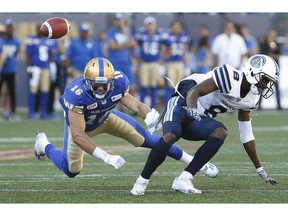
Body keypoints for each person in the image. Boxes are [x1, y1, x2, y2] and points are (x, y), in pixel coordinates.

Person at [33, 57, 217, 179]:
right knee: (71, 170)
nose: (100, 89)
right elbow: (79, 135)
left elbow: (135, 104)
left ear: (112, 82)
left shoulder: (119, 82)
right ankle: (44, 145)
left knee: (149, 139)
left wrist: (148, 115)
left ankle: (195, 163)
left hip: (106, 117)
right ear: (86, 82)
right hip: (83, 128)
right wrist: (107, 157)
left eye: (104, 86)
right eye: (96, 85)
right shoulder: (75, 94)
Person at [130, 54, 279, 195]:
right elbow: (194, 92)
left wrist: (259, 168)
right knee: (171, 136)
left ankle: (184, 179)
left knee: (220, 131)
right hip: (182, 104)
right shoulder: (230, 76)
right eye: (265, 79)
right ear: (253, 72)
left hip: (198, 118)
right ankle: (142, 181)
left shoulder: (251, 99)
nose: (266, 85)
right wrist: (193, 110)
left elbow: (246, 134)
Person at [135, 16, 166, 108]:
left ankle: (153, 106)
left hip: (155, 62)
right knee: (143, 85)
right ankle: (142, 106)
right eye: (148, 25)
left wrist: (162, 58)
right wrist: (137, 58)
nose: (150, 27)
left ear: (155, 25)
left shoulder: (159, 34)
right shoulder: (141, 34)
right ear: (145, 26)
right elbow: (135, 45)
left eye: (151, 25)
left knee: (154, 85)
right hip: (144, 62)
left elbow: (165, 45)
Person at [25, 23, 54, 120]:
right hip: (35, 68)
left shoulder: (48, 40)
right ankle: (31, 112)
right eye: (39, 29)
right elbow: (28, 55)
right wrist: (29, 67)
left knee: (45, 90)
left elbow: (51, 55)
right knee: (33, 90)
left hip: (45, 68)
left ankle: (43, 112)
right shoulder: (31, 39)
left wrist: (52, 67)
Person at [106, 13, 137, 96]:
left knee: (131, 84)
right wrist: (126, 45)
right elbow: (113, 46)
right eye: (117, 20)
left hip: (126, 62)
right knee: (114, 84)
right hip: (114, 61)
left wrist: (126, 33)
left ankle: (131, 107)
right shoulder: (111, 32)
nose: (119, 22)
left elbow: (133, 44)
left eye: (120, 20)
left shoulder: (127, 31)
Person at [162, 19, 190, 105]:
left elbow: (185, 51)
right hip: (171, 62)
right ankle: (168, 103)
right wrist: (164, 60)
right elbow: (163, 50)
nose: (176, 28)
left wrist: (186, 64)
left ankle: (179, 103)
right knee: (171, 84)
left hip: (180, 62)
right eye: (175, 27)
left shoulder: (184, 36)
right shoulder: (167, 36)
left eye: (178, 27)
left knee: (180, 85)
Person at [0, 19, 22, 121]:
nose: (10, 30)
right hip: (1, 71)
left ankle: (12, 113)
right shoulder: (2, 41)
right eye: (8, 28)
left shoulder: (17, 41)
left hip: (11, 70)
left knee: (12, 92)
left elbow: (18, 54)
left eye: (11, 28)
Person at [258, 27, 282, 110]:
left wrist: (272, 54)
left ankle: (279, 105)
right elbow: (264, 55)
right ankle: (259, 105)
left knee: (277, 88)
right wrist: (271, 54)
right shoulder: (263, 43)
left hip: (275, 70)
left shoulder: (277, 43)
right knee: (262, 87)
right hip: (266, 69)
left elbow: (279, 55)